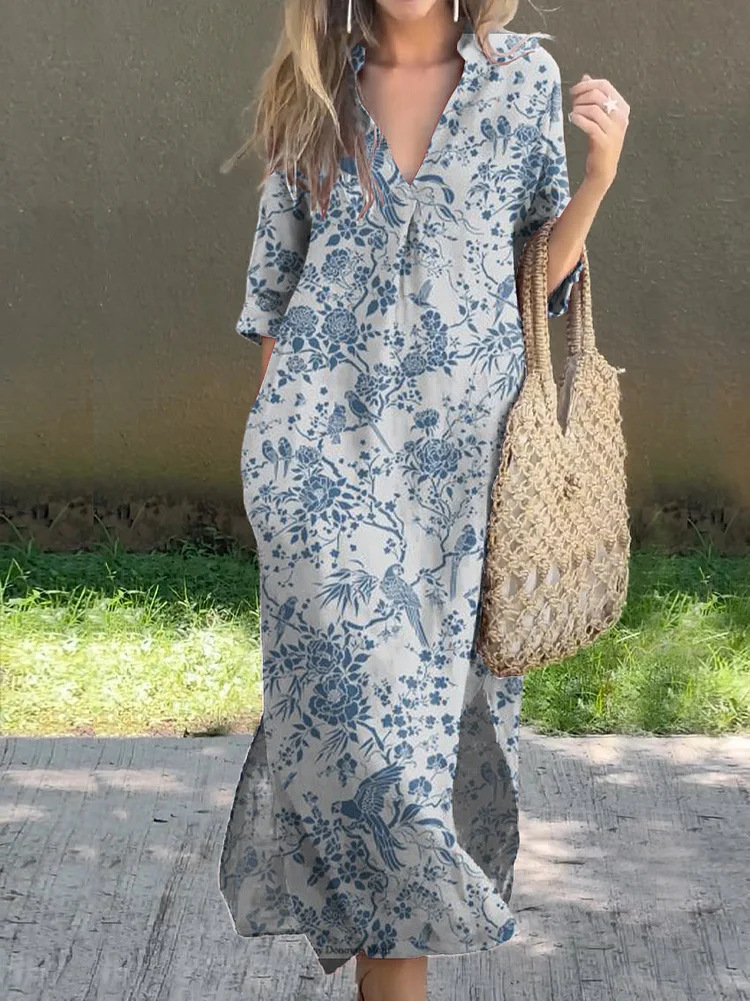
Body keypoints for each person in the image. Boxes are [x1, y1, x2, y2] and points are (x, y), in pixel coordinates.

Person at [217, 1, 629, 999]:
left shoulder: (520, 81)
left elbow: (537, 278)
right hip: (325, 478)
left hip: (460, 485)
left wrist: (598, 179)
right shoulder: (313, 95)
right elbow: (275, 295)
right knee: (380, 763)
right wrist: (278, 467)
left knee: (416, 765)